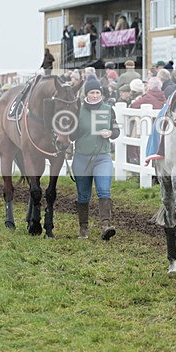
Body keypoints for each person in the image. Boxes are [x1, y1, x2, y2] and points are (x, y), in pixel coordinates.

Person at [70, 80, 120, 240]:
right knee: (83, 195)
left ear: (101, 94)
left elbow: (116, 131)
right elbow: (71, 136)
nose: (95, 95)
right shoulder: (78, 110)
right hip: (82, 158)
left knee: (104, 190)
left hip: (102, 157)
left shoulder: (108, 109)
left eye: (97, 92)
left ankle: (105, 226)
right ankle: (83, 229)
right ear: (86, 94)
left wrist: (110, 133)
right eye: (92, 92)